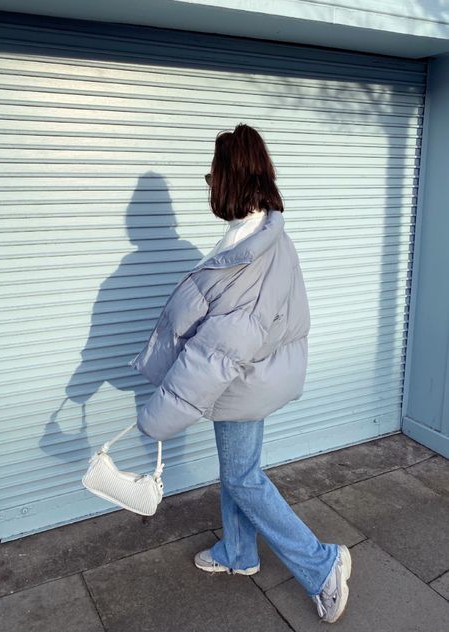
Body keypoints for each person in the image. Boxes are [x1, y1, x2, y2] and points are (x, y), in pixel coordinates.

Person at [129, 123, 352, 623]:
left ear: (230, 176)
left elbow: (219, 355)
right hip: (249, 380)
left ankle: (321, 564)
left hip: (241, 382)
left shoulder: (252, 253)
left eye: (212, 171)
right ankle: (239, 552)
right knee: (238, 471)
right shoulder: (258, 235)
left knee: (244, 478)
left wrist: (156, 418)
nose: (207, 180)